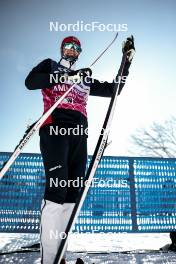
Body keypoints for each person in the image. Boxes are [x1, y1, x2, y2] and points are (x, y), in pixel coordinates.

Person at [25, 35, 135, 264]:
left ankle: (60, 256)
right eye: (68, 46)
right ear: (62, 49)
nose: (72, 50)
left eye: (76, 48)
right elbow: (31, 82)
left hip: (78, 135)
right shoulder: (50, 66)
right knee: (56, 192)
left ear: (80, 52)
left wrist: (126, 62)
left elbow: (115, 90)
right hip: (55, 129)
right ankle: (48, 261)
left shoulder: (84, 78)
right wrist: (67, 76)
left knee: (71, 196)